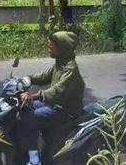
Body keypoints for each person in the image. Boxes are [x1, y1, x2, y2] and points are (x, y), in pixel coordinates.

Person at [18, 31, 85, 165]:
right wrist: (28, 79)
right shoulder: (60, 63)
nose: (48, 49)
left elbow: (57, 91)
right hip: (56, 105)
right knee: (24, 109)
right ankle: (27, 149)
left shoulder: (70, 69)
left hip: (67, 111)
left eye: (51, 46)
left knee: (32, 117)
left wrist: (34, 96)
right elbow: (44, 76)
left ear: (61, 48)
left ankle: (34, 160)